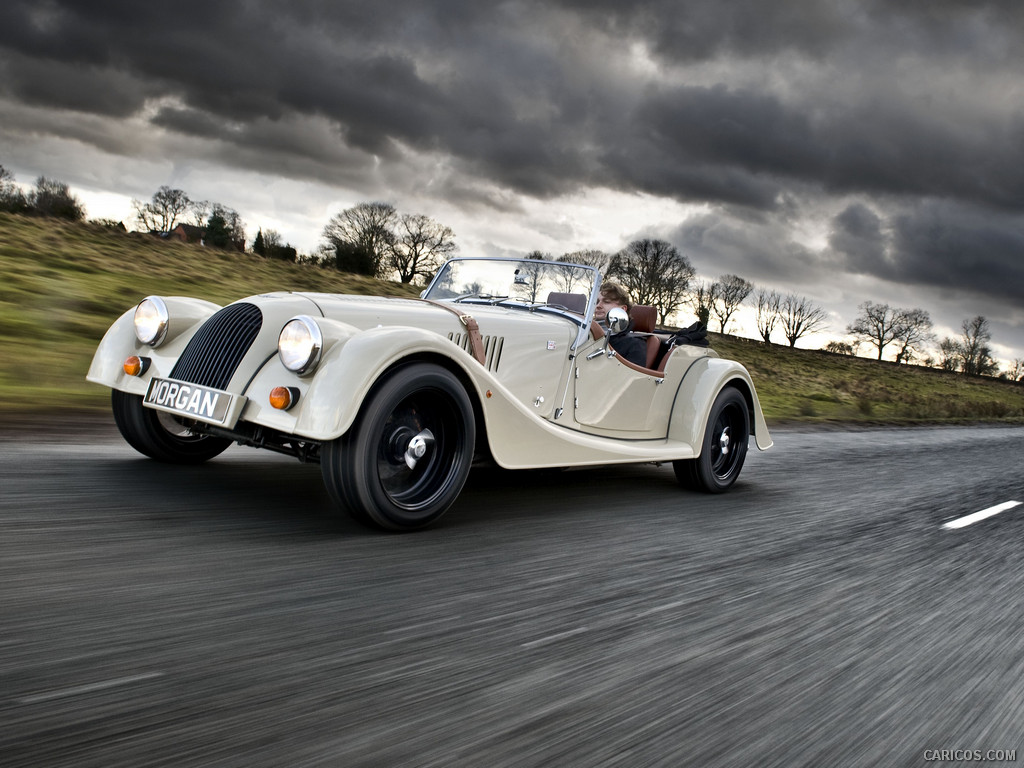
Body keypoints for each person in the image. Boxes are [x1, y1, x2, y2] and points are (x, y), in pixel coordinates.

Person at [593, 281, 648, 367]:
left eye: (606, 301)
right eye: (596, 302)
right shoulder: (587, 334)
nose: (598, 306)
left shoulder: (634, 344)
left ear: (623, 309)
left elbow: (631, 377)